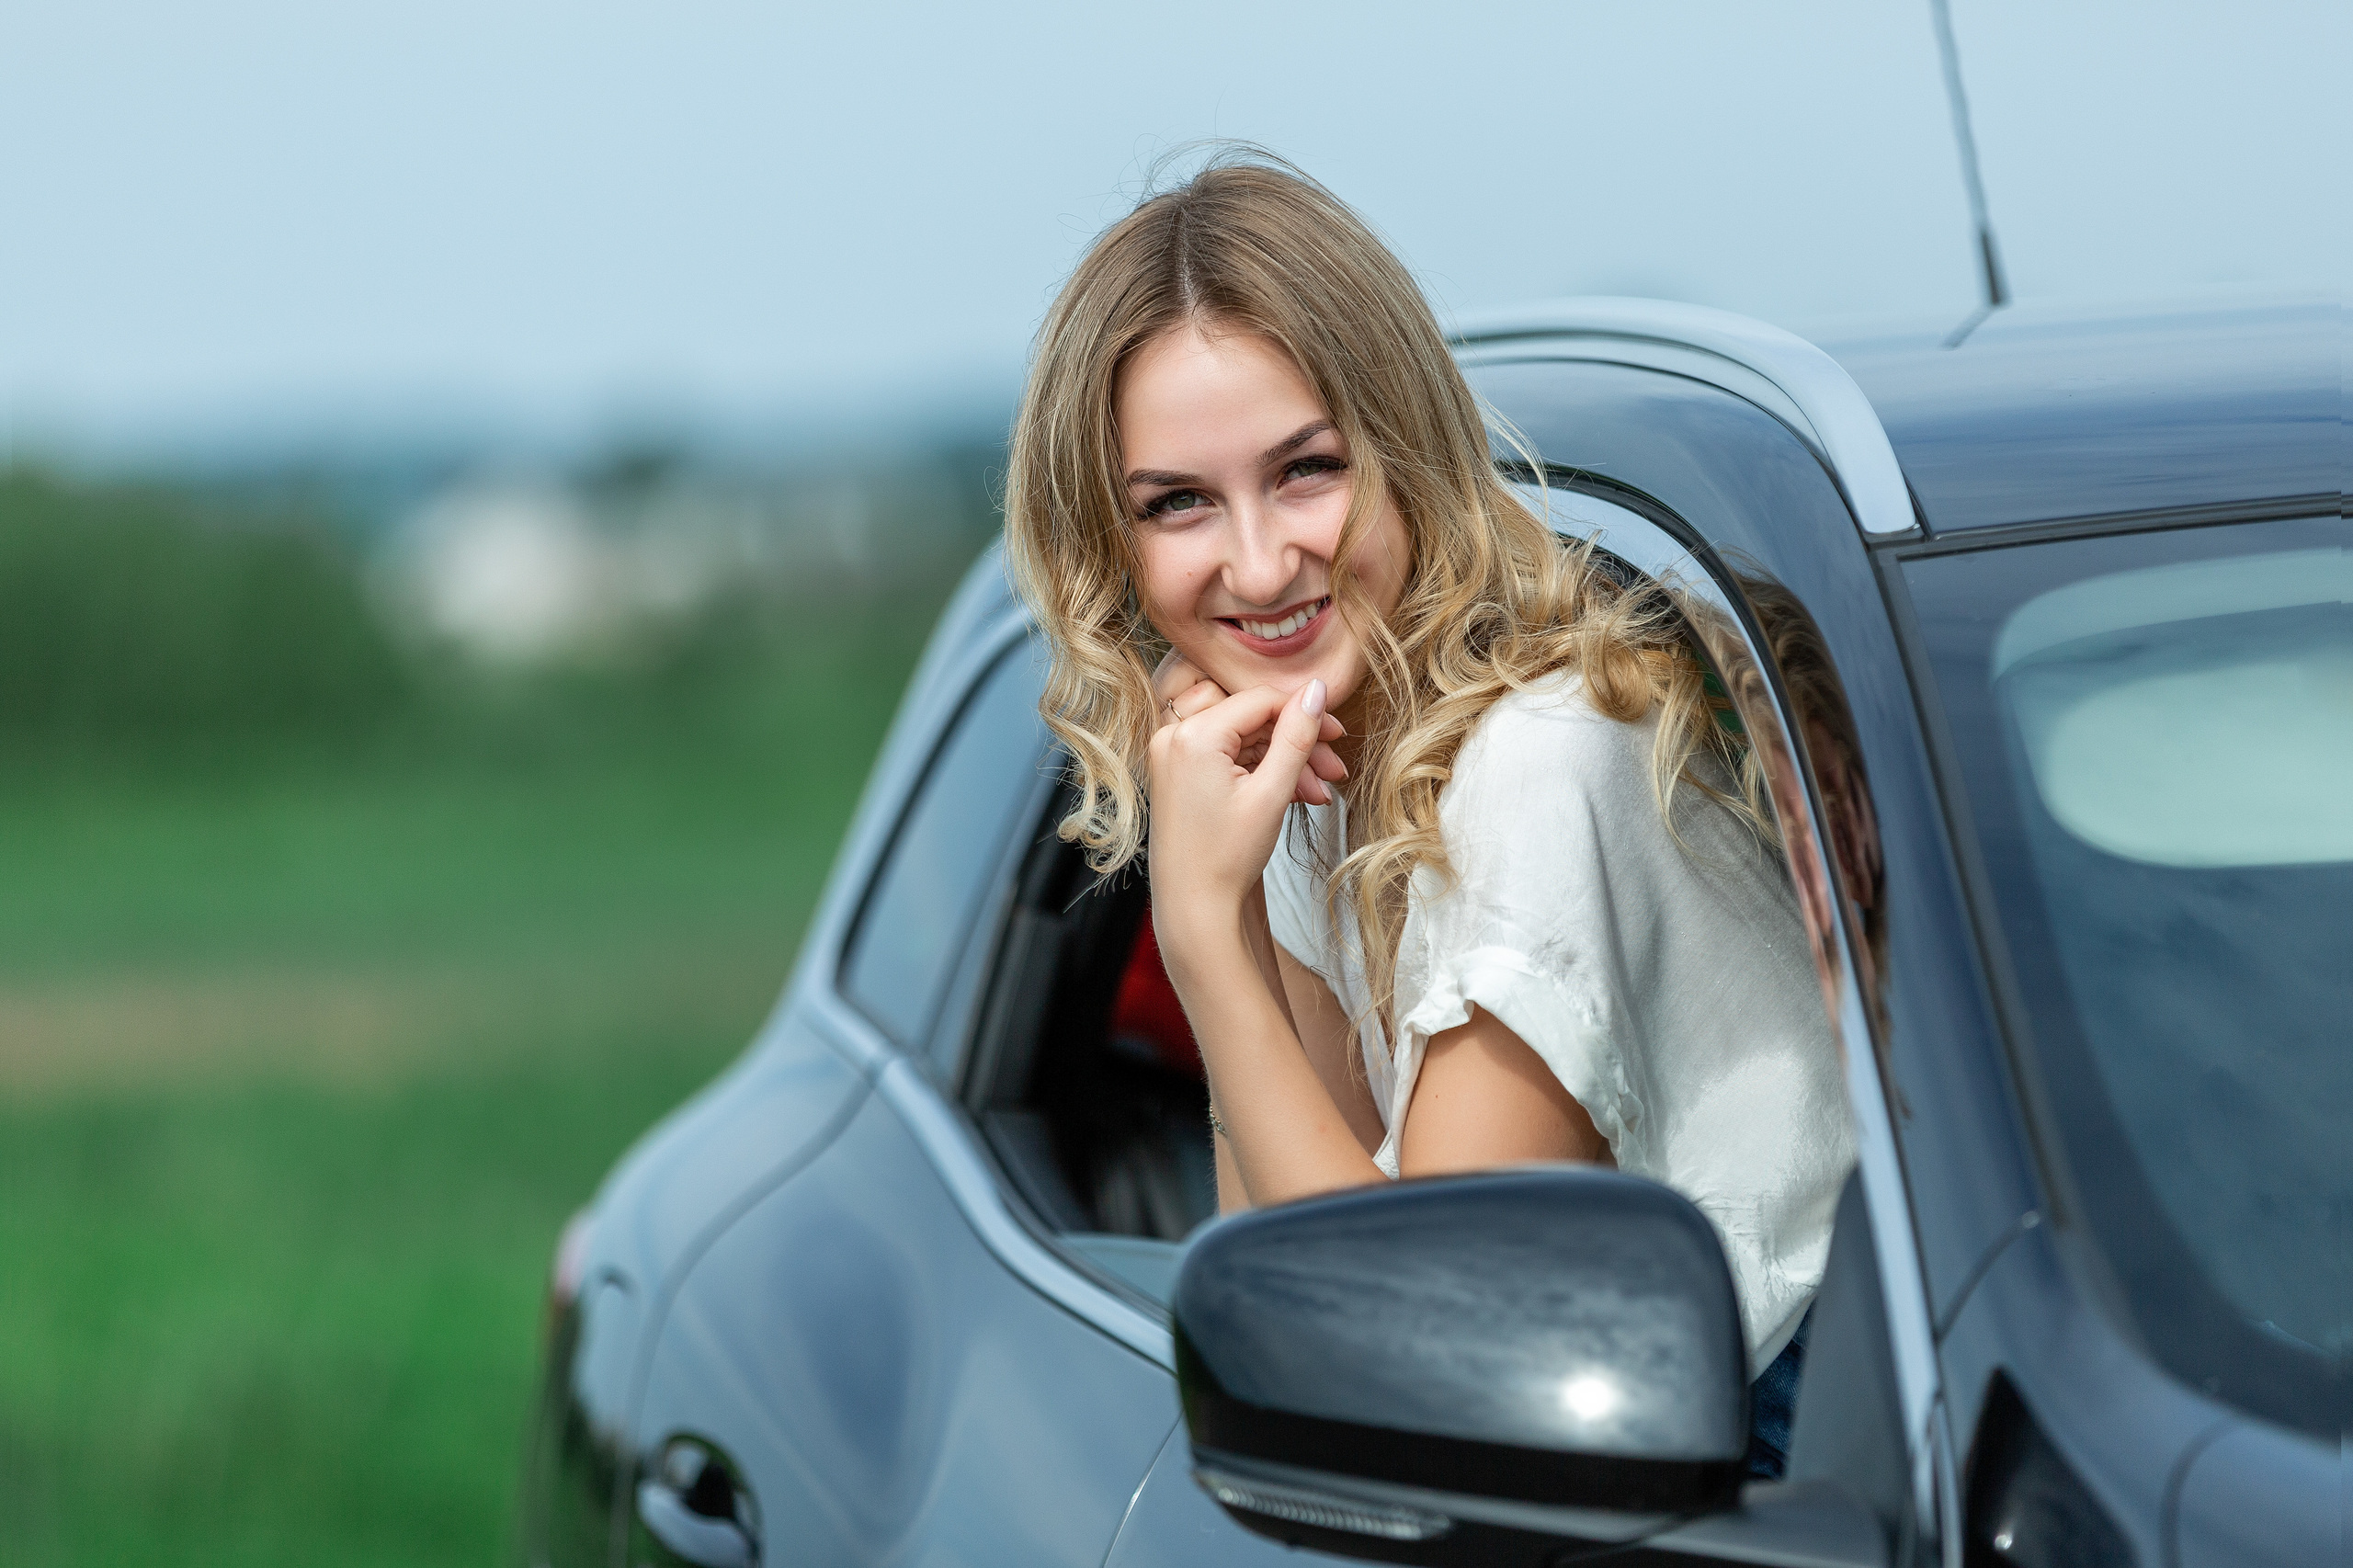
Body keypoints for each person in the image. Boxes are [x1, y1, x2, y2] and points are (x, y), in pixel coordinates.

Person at [1003, 152, 1854, 1476]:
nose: (1259, 560)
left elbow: (1401, 1355)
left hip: (1817, 1448)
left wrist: (1203, 942)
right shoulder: (1313, 765)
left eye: (1305, 471)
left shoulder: (1538, 765)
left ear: (1401, 450)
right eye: (1178, 501)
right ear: (1112, 549)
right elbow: (1288, 1267)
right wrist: (1232, 894)